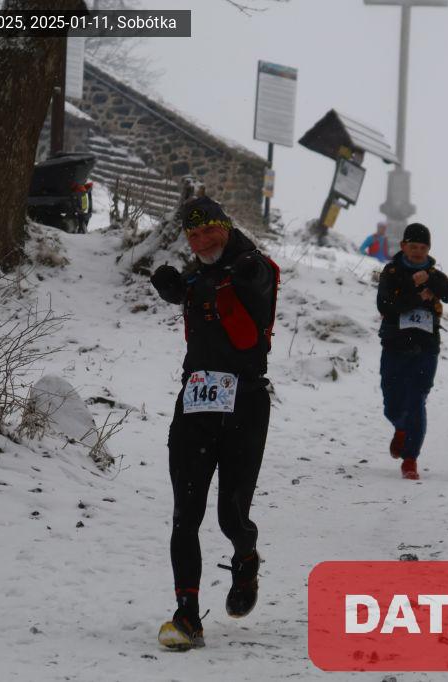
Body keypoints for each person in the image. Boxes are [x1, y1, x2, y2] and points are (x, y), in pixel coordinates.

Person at [149, 196, 279, 650]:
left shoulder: (254, 265)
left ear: (225, 226)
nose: (202, 241)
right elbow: (194, 290)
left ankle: (246, 558)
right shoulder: (199, 275)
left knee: (230, 516)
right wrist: (172, 288)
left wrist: (246, 276)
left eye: (209, 231)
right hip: (196, 403)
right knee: (185, 515)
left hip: (245, 404)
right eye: (193, 235)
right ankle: (187, 616)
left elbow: (260, 283)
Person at [376, 222, 448, 481]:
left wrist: (432, 281)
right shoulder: (391, 272)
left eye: (423, 247)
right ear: (403, 246)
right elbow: (386, 306)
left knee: (417, 400)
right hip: (395, 345)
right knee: (391, 403)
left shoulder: (434, 273)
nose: (418, 252)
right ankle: (401, 427)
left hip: (426, 348)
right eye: (413, 247)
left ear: (428, 249)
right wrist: (416, 293)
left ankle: (410, 458)